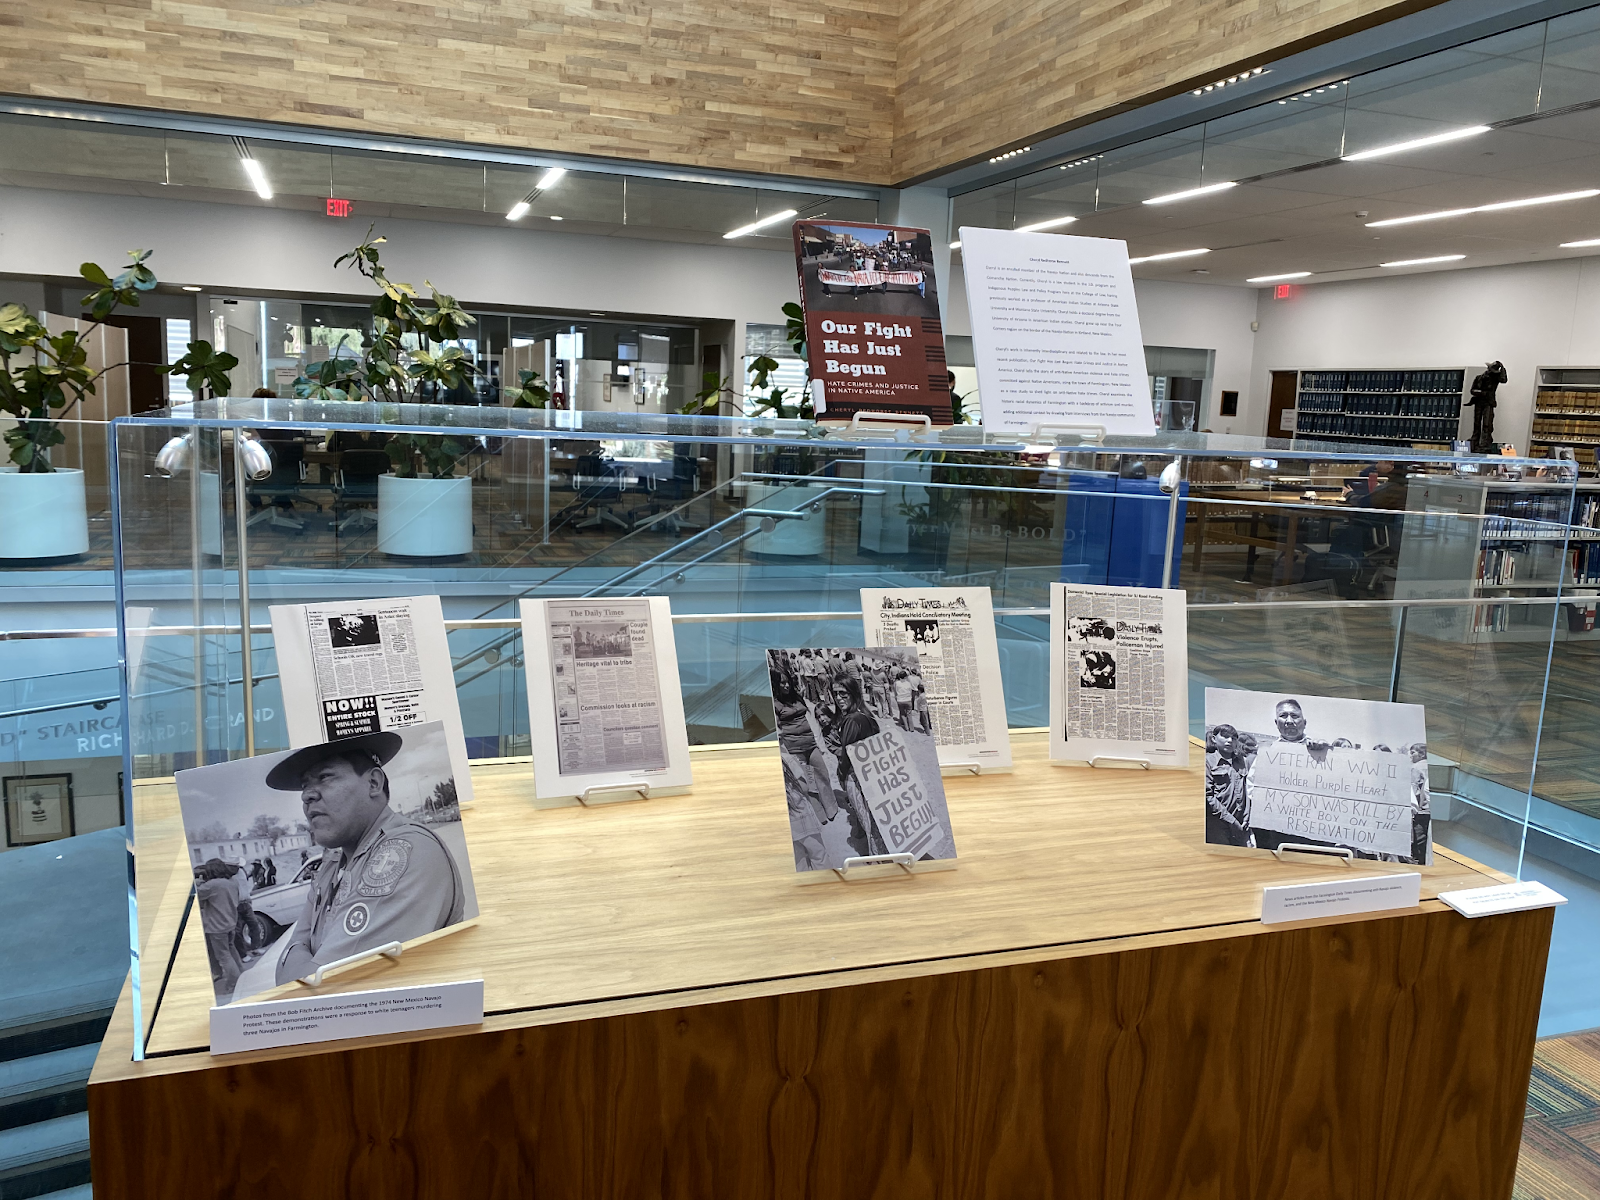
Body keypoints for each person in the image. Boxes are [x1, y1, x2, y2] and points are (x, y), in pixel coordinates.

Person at [269, 732, 466, 985]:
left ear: (373, 783)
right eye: (305, 784)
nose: (307, 795)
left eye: (324, 777)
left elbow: (309, 992)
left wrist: (297, 950)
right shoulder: (333, 864)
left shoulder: (403, 851)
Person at [771, 666, 841, 828]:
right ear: (775, 684)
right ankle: (819, 813)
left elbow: (811, 718)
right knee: (807, 782)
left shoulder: (796, 697)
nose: (786, 686)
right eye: (782, 683)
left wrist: (819, 741)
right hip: (794, 749)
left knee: (822, 775)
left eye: (787, 682)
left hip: (811, 744)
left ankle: (831, 808)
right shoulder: (774, 704)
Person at [197, 859, 246, 1002]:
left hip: (217, 927)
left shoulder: (211, 885)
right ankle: (242, 975)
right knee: (231, 951)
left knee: (223, 957)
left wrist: (199, 882)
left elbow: (196, 895)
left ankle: (233, 984)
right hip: (230, 924)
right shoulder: (232, 883)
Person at [1205, 725, 1252, 848]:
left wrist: (1247, 816)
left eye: (1234, 738)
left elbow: (1248, 789)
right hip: (1217, 825)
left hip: (1242, 823)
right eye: (1225, 737)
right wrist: (1231, 821)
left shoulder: (1243, 761)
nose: (1230, 741)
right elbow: (1208, 796)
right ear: (1214, 739)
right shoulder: (1207, 762)